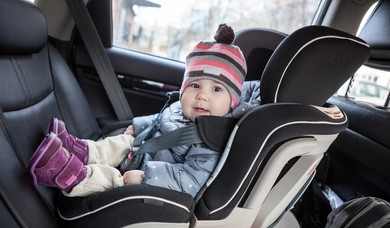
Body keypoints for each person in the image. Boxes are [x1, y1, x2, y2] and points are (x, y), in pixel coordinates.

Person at [28, 23, 247, 198]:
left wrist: (145, 177)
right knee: (123, 142)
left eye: (217, 89)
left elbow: (192, 180)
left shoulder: (214, 140)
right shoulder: (180, 110)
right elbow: (159, 119)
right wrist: (138, 126)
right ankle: (82, 150)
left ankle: (73, 175)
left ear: (232, 102)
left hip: (149, 181)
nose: (202, 95)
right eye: (195, 85)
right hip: (142, 152)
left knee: (115, 181)